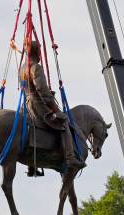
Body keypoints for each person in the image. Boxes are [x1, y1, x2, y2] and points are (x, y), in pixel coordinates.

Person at [20, 41, 85, 173]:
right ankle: (70, 157)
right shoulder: (35, 67)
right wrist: (54, 108)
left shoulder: (22, 68)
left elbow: (29, 87)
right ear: (36, 52)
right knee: (64, 122)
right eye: (39, 50)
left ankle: (31, 165)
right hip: (37, 104)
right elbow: (42, 90)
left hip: (26, 104)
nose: (40, 53)